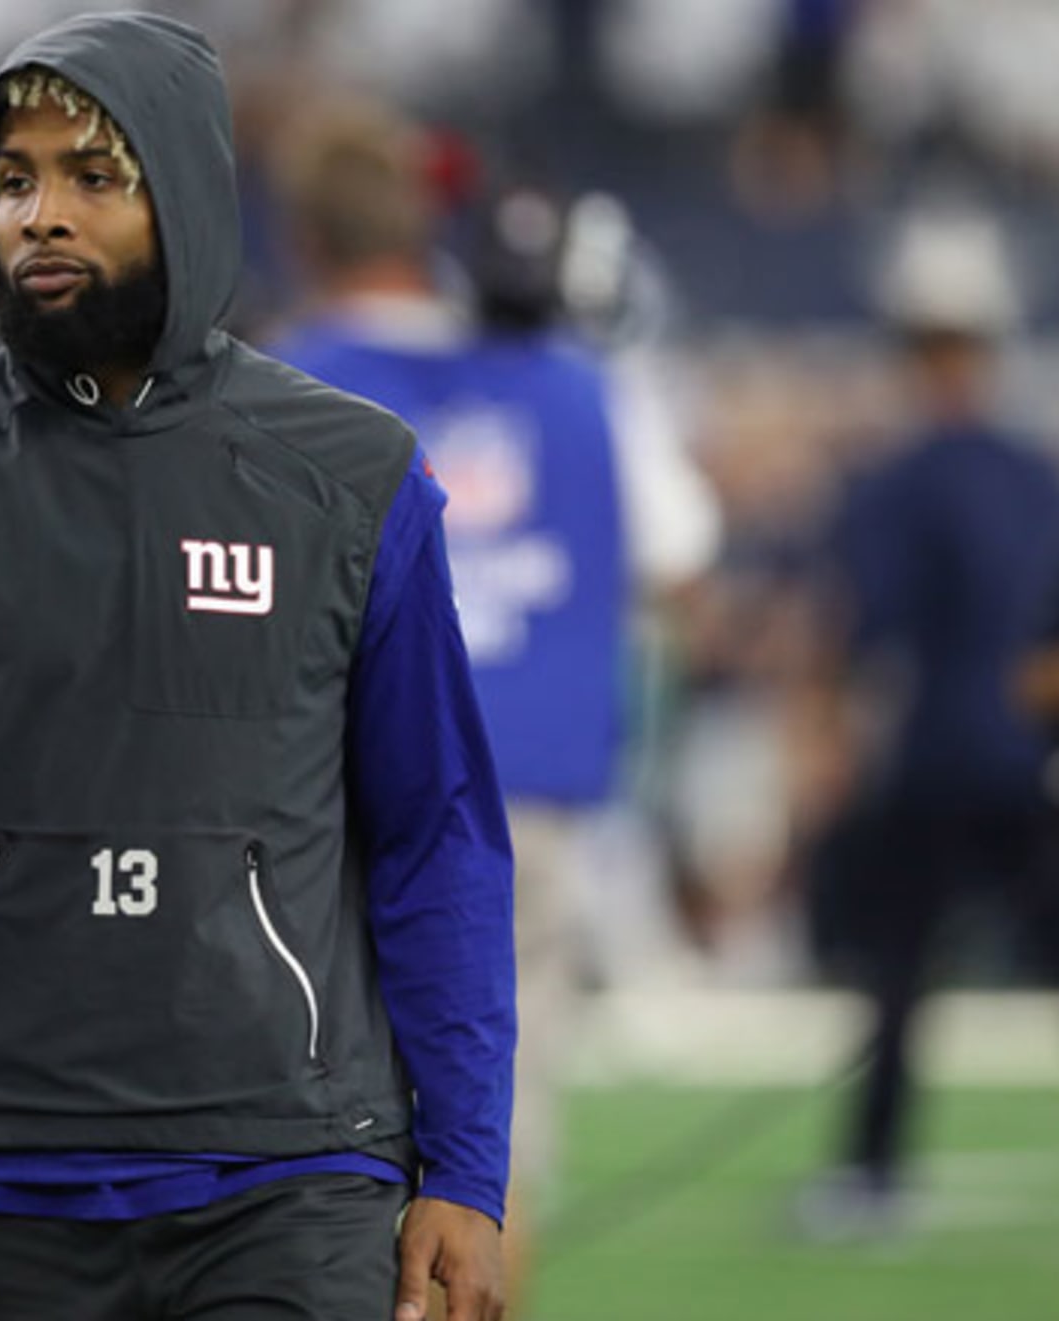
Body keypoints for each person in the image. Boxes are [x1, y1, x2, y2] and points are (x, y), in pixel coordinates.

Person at [0, 14, 515, 1321]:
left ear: (189, 193)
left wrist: (467, 1168)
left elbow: (433, 835)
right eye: (14, 178)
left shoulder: (354, 477)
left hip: (294, 1171)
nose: (39, 214)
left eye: (91, 176)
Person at [265, 101, 721, 1308]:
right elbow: (682, 560)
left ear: (301, 235)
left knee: (310, 1115)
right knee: (492, 1137)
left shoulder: (278, 382)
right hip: (524, 793)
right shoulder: (571, 379)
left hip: (335, 798)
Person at [801, 211, 1059, 1235]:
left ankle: (871, 1173)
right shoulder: (1037, 473)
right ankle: (869, 1172)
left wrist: (828, 742)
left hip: (933, 758)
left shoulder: (895, 477)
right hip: (1036, 759)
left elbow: (859, 628)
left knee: (900, 975)